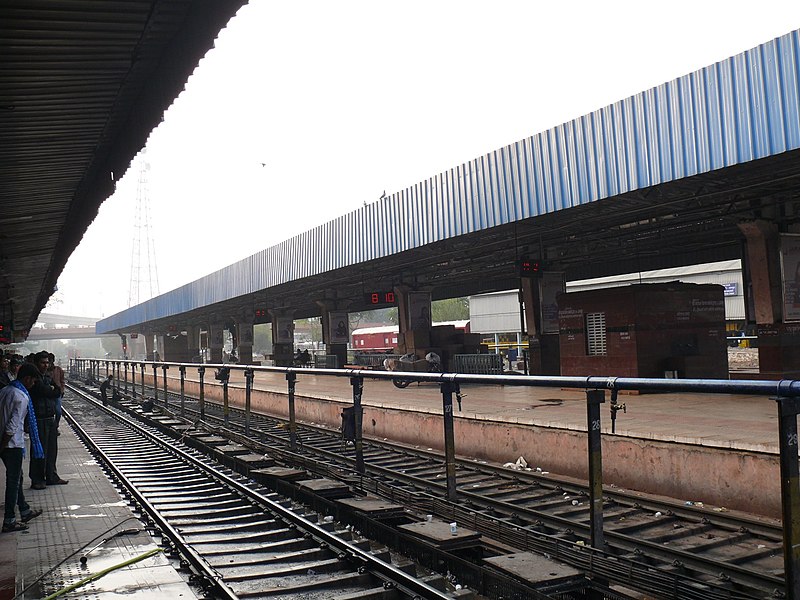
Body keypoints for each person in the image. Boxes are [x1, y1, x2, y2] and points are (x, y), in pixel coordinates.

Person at [1, 363, 44, 532]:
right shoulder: (21, 396)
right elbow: (12, 426)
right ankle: (9, 520)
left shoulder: (5, 390)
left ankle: (24, 510)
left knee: (17, 478)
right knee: (13, 482)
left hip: (6, 441)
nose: (33, 385)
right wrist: (2, 446)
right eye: (33, 381)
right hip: (12, 444)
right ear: (26, 379)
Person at [28, 352, 65, 489]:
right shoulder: (34, 379)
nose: (46, 365)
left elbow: (57, 391)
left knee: (52, 449)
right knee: (39, 449)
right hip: (39, 418)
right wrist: (50, 390)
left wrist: (51, 390)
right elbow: (44, 391)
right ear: (37, 363)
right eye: (43, 362)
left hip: (50, 417)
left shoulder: (48, 377)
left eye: (47, 362)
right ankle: (37, 479)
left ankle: (51, 476)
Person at [48, 353, 65, 429]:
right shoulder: (45, 371)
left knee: (58, 412)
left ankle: (56, 425)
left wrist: (61, 389)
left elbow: (62, 380)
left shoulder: (58, 370)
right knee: (50, 412)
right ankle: (52, 427)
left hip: (57, 394)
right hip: (48, 394)